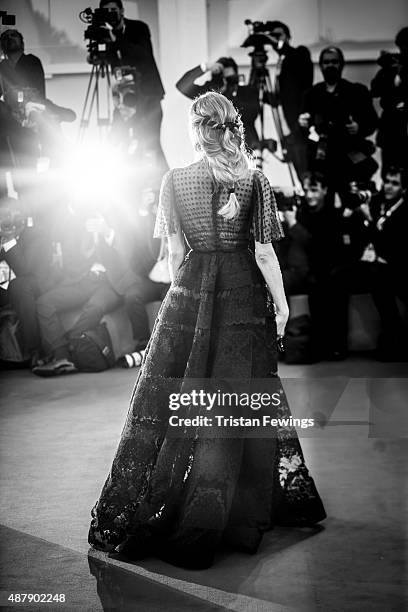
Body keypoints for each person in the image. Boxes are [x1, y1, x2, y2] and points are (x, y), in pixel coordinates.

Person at [88, 92, 326, 569]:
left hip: (191, 294)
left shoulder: (174, 180)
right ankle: (227, 513)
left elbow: (174, 253)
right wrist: (280, 305)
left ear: (196, 129)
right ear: (232, 126)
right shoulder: (255, 178)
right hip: (241, 296)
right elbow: (264, 254)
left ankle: (173, 508)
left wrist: (184, 303)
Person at [322, 166, 408, 361]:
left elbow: (391, 243)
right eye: (386, 181)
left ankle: (396, 342)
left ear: (403, 188)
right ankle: (338, 344)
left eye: (395, 183)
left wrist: (369, 218)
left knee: (381, 282)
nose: (388, 186)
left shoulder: (403, 210)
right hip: (370, 264)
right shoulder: (377, 202)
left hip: (394, 266)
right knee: (336, 276)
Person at [299, 46, 378, 204]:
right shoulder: (312, 94)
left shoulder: (356, 92)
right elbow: (304, 129)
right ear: (320, 65)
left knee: (351, 202)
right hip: (322, 159)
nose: (330, 65)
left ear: (341, 64)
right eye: (326, 62)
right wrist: (302, 123)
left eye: (334, 62)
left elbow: (372, 122)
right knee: (324, 203)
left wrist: (359, 127)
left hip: (349, 158)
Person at [98, 0, 167, 175]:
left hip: (147, 96)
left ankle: (165, 184)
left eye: (114, 10)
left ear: (122, 11)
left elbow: (142, 54)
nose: (111, 14)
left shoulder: (139, 28)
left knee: (150, 144)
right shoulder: (104, 35)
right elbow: (109, 63)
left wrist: (115, 39)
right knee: (117, 139)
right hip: (125, 98)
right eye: (106, 12)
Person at [176, 57, 261, 149]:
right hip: (216, 148)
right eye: (222, 78)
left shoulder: (246, 91)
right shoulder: (210, 93)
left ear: (236, 75)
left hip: (243, 146)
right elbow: (182, 86)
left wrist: (229, 94)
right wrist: (205, 67)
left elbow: (252, 114)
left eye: (229, 78)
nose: (226, 81)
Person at [264, 21, 313, 177]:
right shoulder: (281, 61)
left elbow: (304, 82)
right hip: (287, 131)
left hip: (297, 129)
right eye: (273, 36)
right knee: (297, 175)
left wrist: (279, 44)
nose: (275, 40)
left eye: (279, 36)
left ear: (289, 37)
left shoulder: (298, 54)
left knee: (306, 175)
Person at [371, 27, 408, 172]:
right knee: (389, 170)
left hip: (398, 127)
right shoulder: (390, 67)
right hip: (391, 128)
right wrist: (389, 71)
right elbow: (375, 90)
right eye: (402, 48)